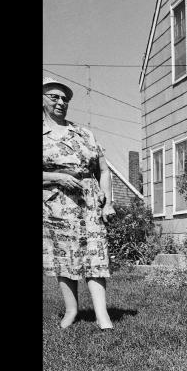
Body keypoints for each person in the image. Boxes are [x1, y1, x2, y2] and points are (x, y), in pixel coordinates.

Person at [43, 77, 115, 330]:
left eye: (65, 99)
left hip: (90, 204)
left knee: (96, 255)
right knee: (64, 258)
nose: (61, 102)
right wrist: (57, 177)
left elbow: (104, 170)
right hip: (56, 205)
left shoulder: (84, 133)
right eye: (54, 97)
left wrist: (108, 202)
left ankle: (102, 315)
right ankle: (71, 311)